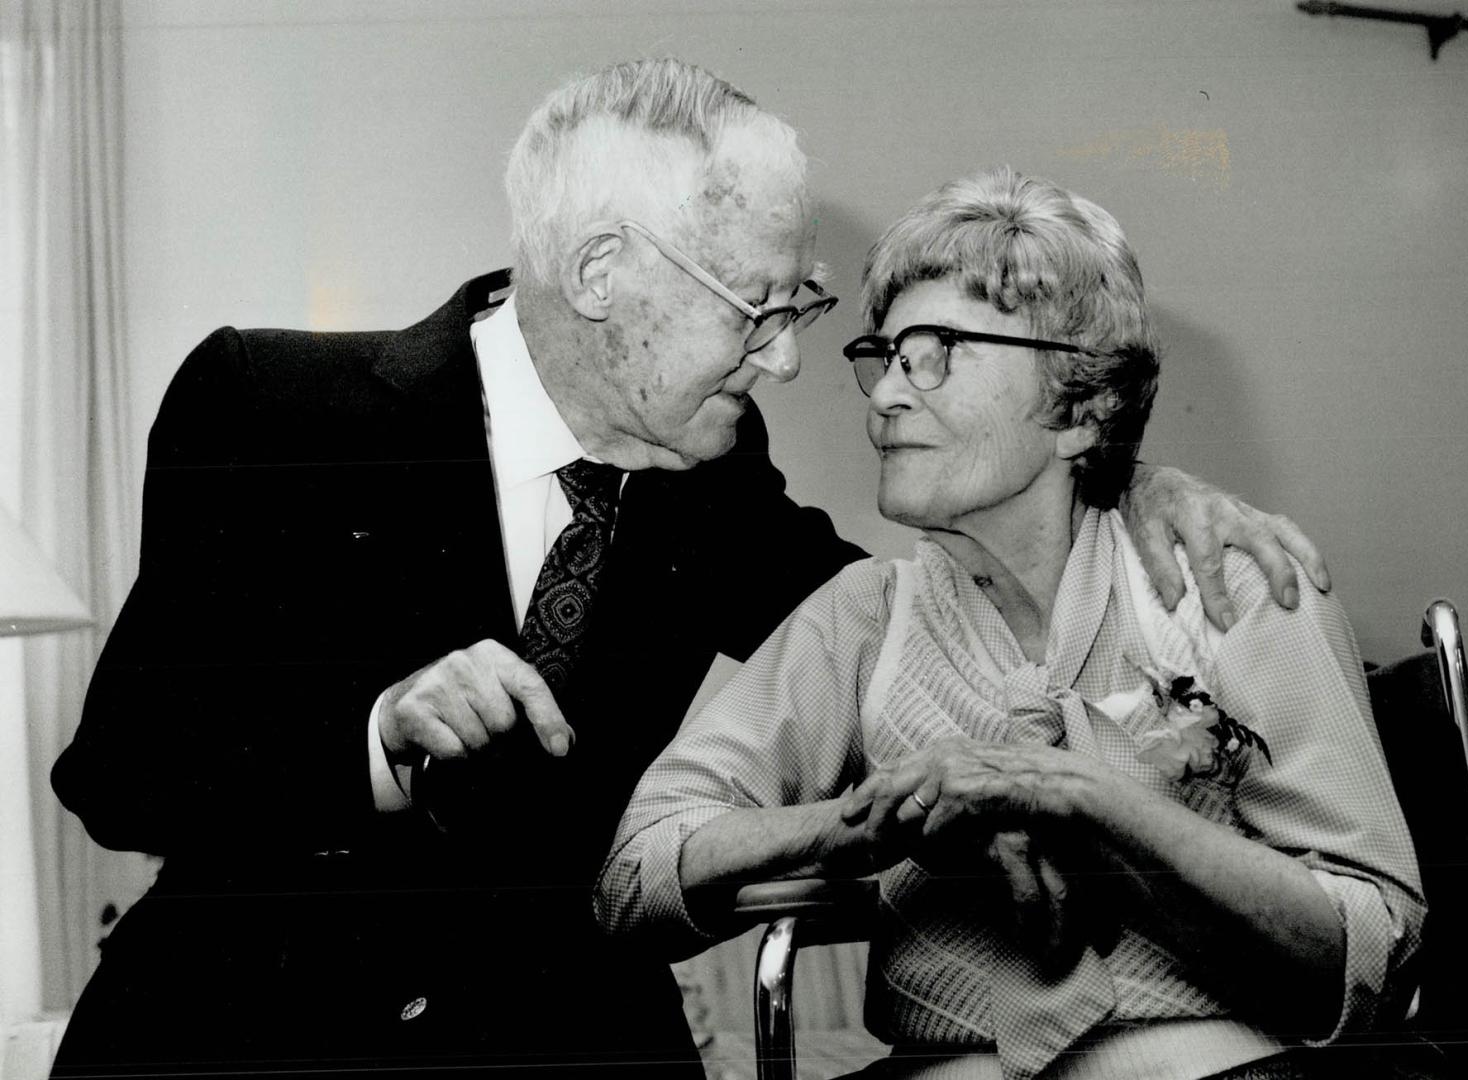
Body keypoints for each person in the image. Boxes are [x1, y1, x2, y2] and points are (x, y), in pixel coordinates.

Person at [52, 61, 1326, 1079]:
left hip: (559, 1038)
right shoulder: (275, 402)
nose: (783, 364)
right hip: (248, 1032)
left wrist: (1117, 478)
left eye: (802, 312)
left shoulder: (710, 461)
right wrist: (380, 734)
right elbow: (123, 765)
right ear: (602, 274)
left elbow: (891, 618)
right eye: (758, 309)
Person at [599, 167, 1423, 1080]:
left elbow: (1366, 952)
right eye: (888, 355)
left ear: (1082, 405)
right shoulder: (861, 616)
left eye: (940, 348)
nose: (884, 397)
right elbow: (636, 876)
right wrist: (858, 827)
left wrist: (1084, 800)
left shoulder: (1229, 582)